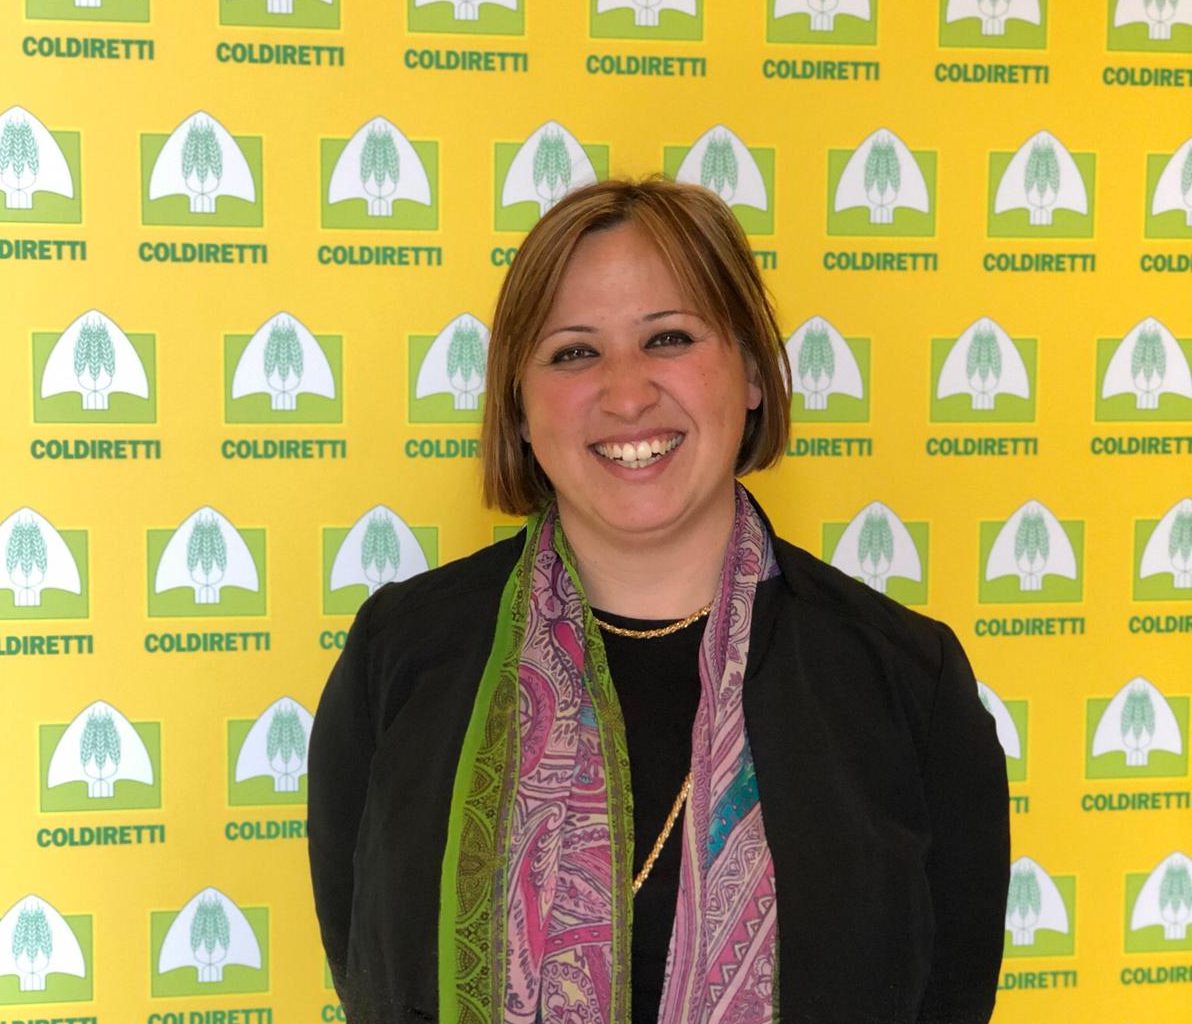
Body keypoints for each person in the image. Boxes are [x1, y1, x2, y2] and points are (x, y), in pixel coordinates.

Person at [308, 178, 1009, 1024]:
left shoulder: (906, 683)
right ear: (519, 408)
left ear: (752, 374)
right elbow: (365, 976)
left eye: (668, 338)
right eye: (574, 353)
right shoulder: (398, 656)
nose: (628, 393)